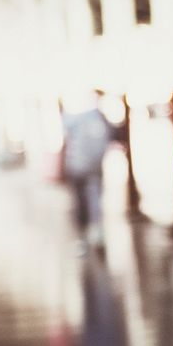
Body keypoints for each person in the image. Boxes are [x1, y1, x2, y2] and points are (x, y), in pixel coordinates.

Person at [62, 89, 114, 254]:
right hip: (89, 168)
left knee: (83, 203)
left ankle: (87, 237)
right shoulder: (98, 117)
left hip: (79, 167)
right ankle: (94, 234)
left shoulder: (75, 118)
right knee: (92, 200)